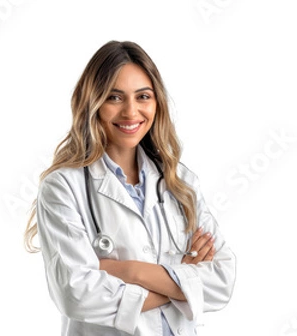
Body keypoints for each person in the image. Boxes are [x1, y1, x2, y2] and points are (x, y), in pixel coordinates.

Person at [24, 40, 236, 336]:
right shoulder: (62, 187)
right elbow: (77, 294)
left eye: (143, 96)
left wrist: (127, 271)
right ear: (93, 103)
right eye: (114, 97)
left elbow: (221, 280)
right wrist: (183, 283)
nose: (131, 111)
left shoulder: (180, 182)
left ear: (156, 102)